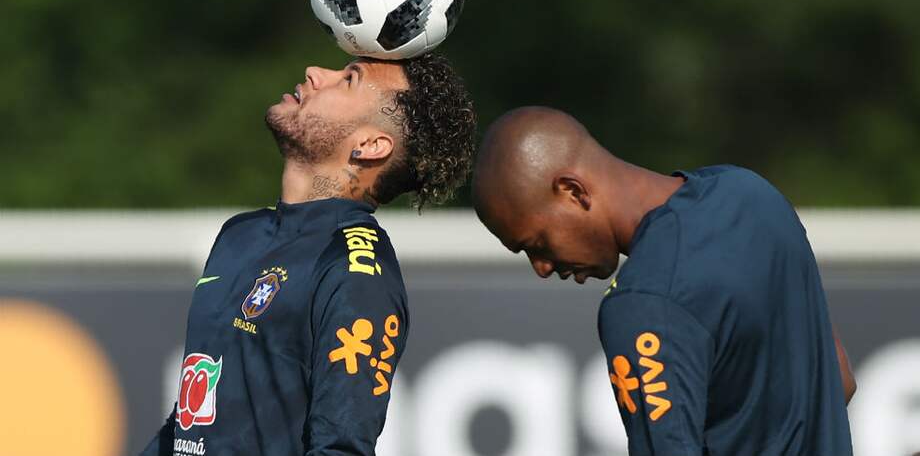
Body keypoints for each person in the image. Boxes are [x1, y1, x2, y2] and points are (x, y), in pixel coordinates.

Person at [141, 53, 476, 456]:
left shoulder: (357, 269)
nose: (315, 73)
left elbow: (340, 449)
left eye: (349, 79)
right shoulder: (240, 234)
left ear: (369, 145)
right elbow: (189, 427)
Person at [471, 106, 856, 456]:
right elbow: (838, 379)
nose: (541, 268)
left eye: (536, 244)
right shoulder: (752, 193)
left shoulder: (643, 301)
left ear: (573, 191)